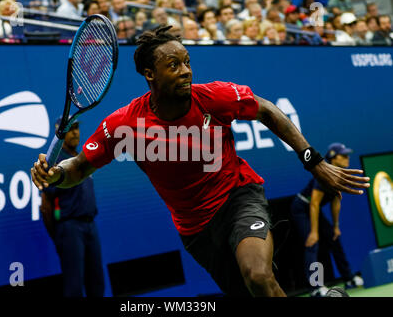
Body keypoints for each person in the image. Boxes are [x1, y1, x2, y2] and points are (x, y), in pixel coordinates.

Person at [31, 26, 370, 297]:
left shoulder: (212, 97)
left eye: (187, 62)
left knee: (258, 275)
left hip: (238, 197)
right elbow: (80, 166)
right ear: (150, 74)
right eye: (174, 65)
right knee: (251, 291)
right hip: (196, 229)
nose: (186, 71)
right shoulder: (125, 124)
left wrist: (312, 160)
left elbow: (265, 108)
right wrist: (56, 174)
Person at [40, 118, 104, 297]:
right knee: (74, 288)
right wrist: (60, 236)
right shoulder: (55, 164)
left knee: (97, 284)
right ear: (60, 133)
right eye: (70, 129)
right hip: (69, 228)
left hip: (90, 225)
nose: (75, 133)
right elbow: (45, 206)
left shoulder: (81, 159)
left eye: (76, 128)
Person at [290, 143, 364, 297]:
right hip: (302, 207)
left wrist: (336, 226)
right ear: (332, 157)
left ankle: (348, 278)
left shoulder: (341, 174)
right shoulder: (323, 173)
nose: (347, 158)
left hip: (313, 208)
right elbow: (315, 203)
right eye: (343, 155)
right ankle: (316, 287)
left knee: (334, 237)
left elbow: (336, 201)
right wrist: (314, 232)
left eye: (347, 155)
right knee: (313, 243)